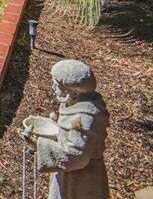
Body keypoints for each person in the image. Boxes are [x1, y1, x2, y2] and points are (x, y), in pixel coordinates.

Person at [20, 59, 110, 199]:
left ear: (73, 93)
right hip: (70, 174)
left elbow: (75, 155)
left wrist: (38, 143)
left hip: (79, 180)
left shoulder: (84, 118)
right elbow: (71, 136)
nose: (53, 88)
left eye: (57, 85)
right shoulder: (75, 103)